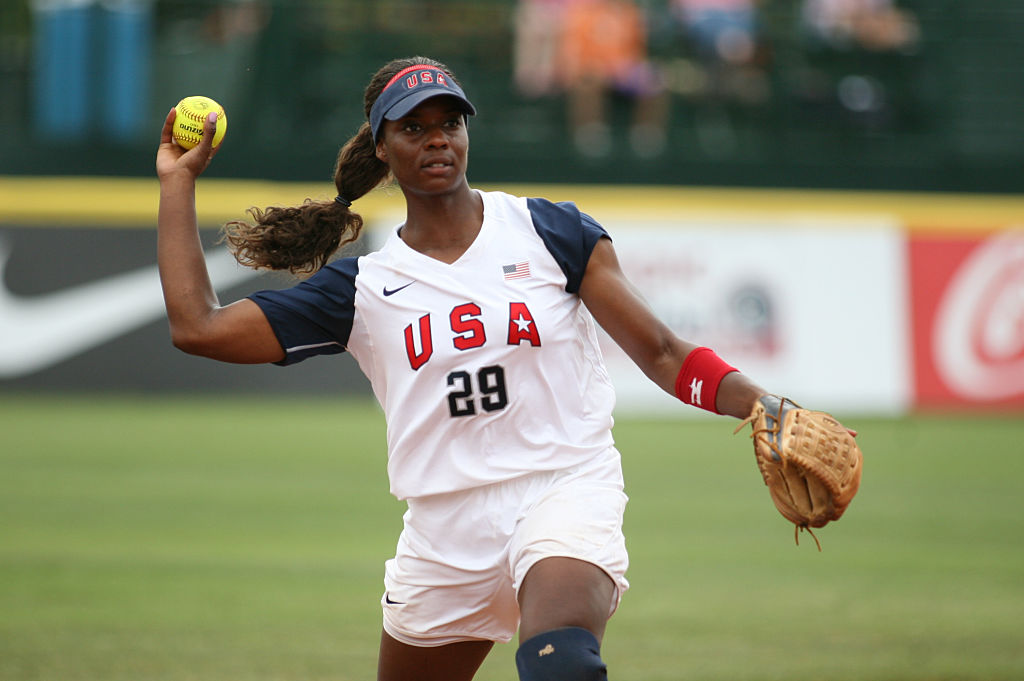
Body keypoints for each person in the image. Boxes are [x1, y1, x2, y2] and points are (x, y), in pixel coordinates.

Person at [156, 55, 768, 681]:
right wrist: (177, 183)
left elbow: (663, 353)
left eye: (450, 121)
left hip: (563, 486)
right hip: (445, 527)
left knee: (563, 666)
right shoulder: (364, 288)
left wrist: (765, 407)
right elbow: (197, 327)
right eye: (413, 128)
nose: (437, 138)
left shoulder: (550, 231)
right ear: (382, 149)